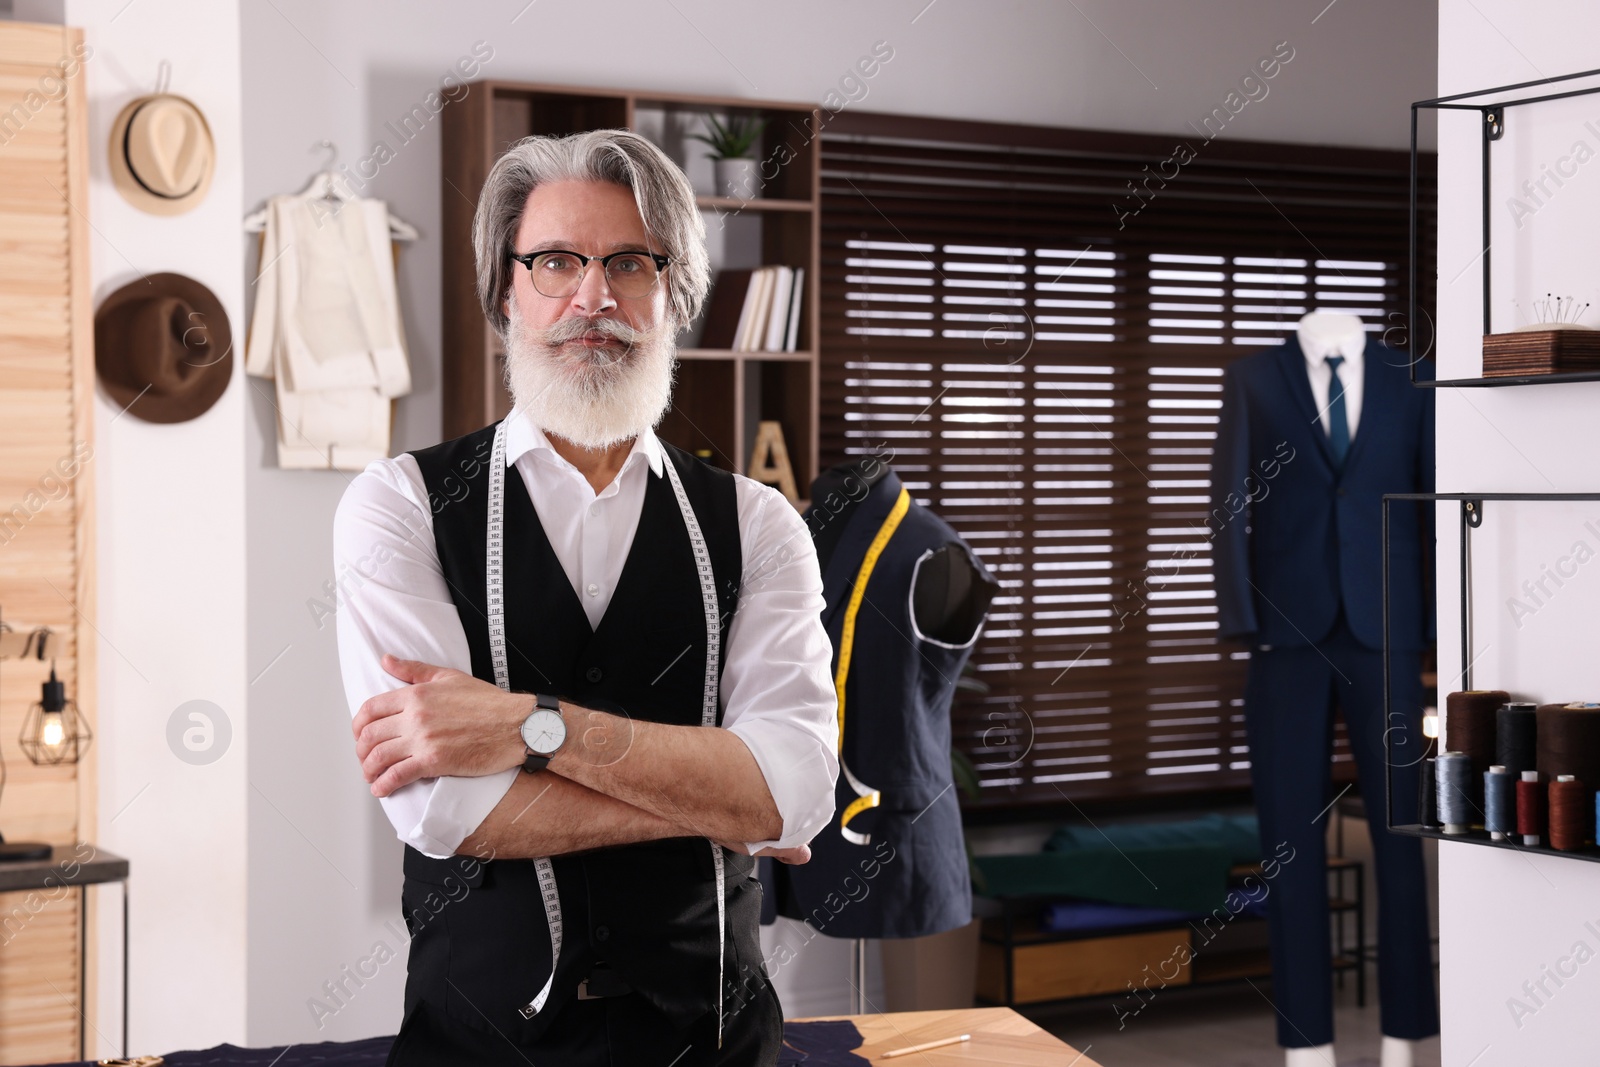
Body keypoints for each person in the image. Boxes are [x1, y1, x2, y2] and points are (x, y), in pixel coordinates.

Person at [334, 128, 839, 1066]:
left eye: (631, 264)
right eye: (557, 261)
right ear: (505, 289)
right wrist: (723, 800)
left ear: (674, 295)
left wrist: (533, 729)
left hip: (718, 1042)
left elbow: (801, 791)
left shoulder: (761, 524)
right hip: (478, 1047)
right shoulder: (398, 504)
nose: (593, 297)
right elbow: (447, 812)